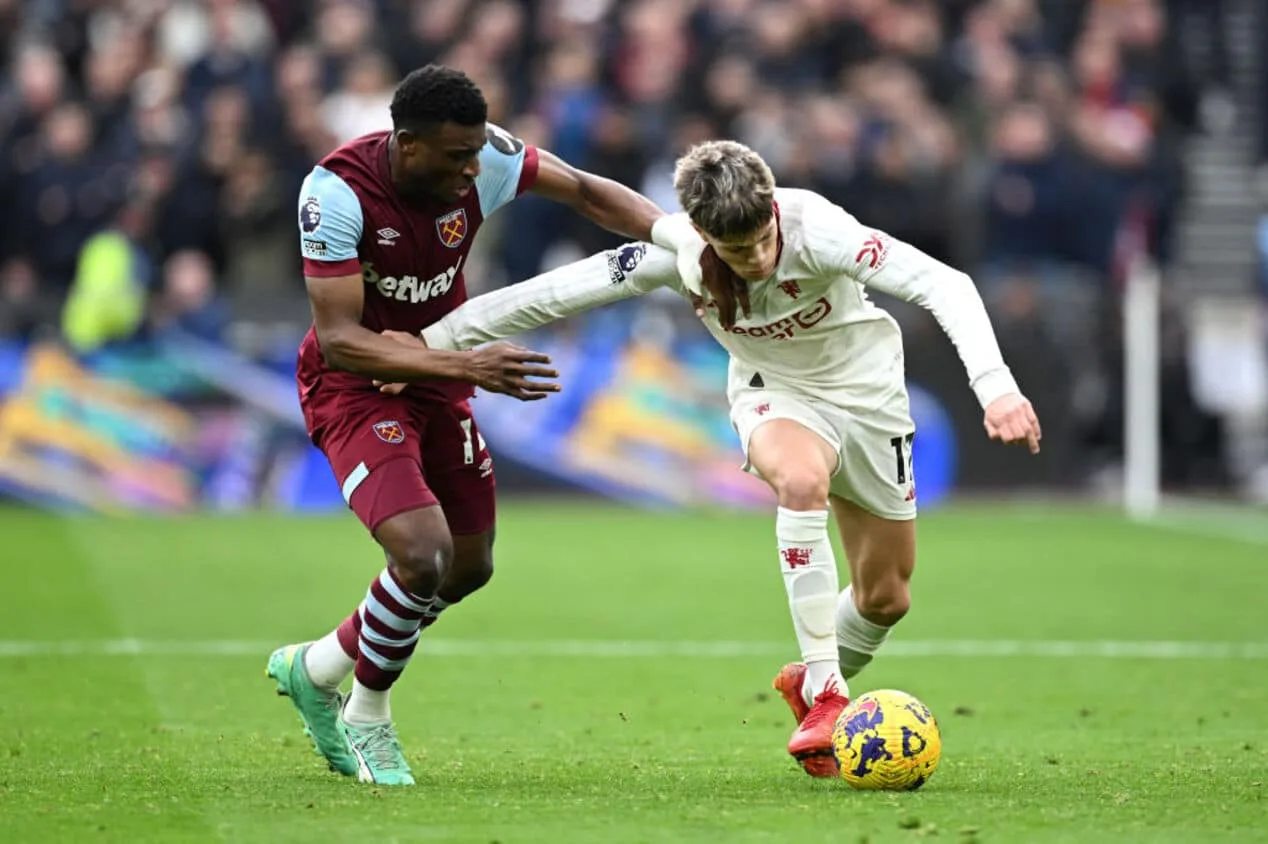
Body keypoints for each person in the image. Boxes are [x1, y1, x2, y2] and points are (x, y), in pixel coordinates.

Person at [388, 140, 1042, 778]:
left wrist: (997, 388)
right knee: (802, 479)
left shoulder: (821, 230)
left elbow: (943, 283)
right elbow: (553, 294)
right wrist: (424, 345)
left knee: (886, 597)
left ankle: (809, 676)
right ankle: (827, 693)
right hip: (775, 396)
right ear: (701, 232)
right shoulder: (679, 251)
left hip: (870, 397)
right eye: (737, 249)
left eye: (763, 239)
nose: (756, 258)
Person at [266, 65, 664, 786]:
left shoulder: (485, 161)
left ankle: (317, 665)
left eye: (477, 152)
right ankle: (367, 717)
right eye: (456, 157)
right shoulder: (336, 193)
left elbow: (583, 190)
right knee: (422, 554)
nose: (473, 170)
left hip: (441, 372)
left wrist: (678, 241)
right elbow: (340, 340)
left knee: (470, 567)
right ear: (407, 145)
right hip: (358, 389)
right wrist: (469, 368)